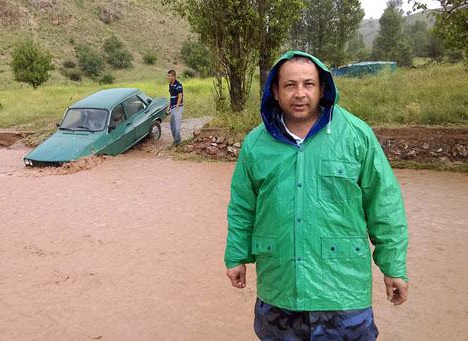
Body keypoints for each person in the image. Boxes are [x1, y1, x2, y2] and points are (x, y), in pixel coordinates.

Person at [224, 50, 409, 340]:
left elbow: (384, 203)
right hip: (280, 289)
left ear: (322, 88)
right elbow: (243, 206)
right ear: (275, 90)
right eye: (289, 85)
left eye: (308, 84)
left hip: (343, 293)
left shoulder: (356, 135)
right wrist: (236, 255)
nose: (300, 93)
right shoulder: (256, 144)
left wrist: (393, 265)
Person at [167, 69, 184, 146]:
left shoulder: (178, 85)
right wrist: (169, 106)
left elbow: (180, 95)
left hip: (178, 107)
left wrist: (177, 106)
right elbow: (171, 96)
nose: (168, 77)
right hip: (173, 107)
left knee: (177, 125)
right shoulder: (170, 84)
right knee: (172, 125)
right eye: (168, 76)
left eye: (169, 76)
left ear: (174, 76)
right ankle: (176, 140)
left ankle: (178, 142)